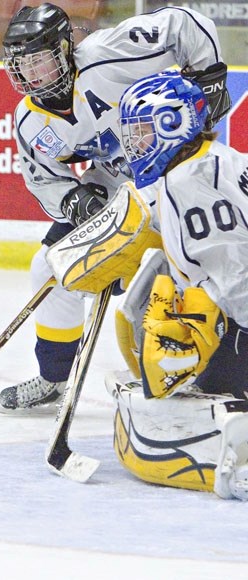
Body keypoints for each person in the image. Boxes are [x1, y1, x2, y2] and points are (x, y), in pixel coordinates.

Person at [0, 3, 230, 413]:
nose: (33, 75)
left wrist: (208, 76)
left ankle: (213, 362)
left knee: (189, 265)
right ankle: (54, 379)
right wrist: (74, 198)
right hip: (116, 186)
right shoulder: (28, 122)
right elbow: (42, 179)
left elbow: (184, 23)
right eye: (23, 66)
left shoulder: (108, 55)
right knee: (49, 267)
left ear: (65, 50)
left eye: (40, 62)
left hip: (174, 164)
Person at [107, 70, 248, 500]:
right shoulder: (215, 161)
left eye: (143, 133)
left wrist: (205, 328)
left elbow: (237, 278)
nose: (134, 145)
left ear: (175, 123)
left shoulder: (190, 184)